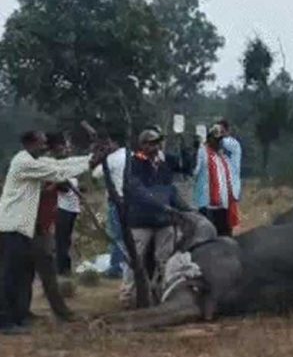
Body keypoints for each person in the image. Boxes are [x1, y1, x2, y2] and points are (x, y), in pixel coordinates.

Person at [0, 131, 103, 334]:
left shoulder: (33, 161)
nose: (46, 146)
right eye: (42, 143)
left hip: (22, 228)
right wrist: (89, 162)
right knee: (11, 276)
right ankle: (5, 321)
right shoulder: (24, 162)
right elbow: (57, 171)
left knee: (23, 275)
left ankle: (19, 316)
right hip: (11, 227)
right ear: (30, 143)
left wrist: (90, 159)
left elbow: (59, 166)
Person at [122, 129, 192, 306]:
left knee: (164, 260)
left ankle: (161, 293)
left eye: (157, 142)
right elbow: (137, 191)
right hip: (141, 220)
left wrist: (186, 209)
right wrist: (162, 206)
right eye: (151, 143)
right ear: (143, 145)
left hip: (164, 220)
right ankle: (127, 295)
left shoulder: (164, 162)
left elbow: (172, 188)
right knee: (135, 259)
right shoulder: (133, 164)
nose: (155, 146)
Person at [92, 131, 129, 279]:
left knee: (117, 236)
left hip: (117, 201)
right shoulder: (131, 155)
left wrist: (101, 156)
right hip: (131, 201)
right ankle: (126, 264)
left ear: (114, 142)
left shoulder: (112, 159)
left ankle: (116, 267)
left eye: (108, 143)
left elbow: (95, 174)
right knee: (129, 235)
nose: (107, 146)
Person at [193, 124, 239, 236]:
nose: (219, 142)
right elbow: (194, 171)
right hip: (207, 206)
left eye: (221, 140)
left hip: (223, 205)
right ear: (210, 139)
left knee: (225, 238)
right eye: (217, 139)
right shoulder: (203, 153)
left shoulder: (222, 157)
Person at [51, 133, 80, 276]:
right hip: (62, 208)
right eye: (65, 146)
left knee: (66, 239)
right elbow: (62, 187)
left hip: (73, 208)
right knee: (62, 240)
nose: (68, 149)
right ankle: (62, 269)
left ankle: (65, 267)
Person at [215, 120, 242, 202]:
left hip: (231, 187)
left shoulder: (232, 143)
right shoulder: (223, 143)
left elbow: (220, 144)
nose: (219, 133)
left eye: (221, 131)